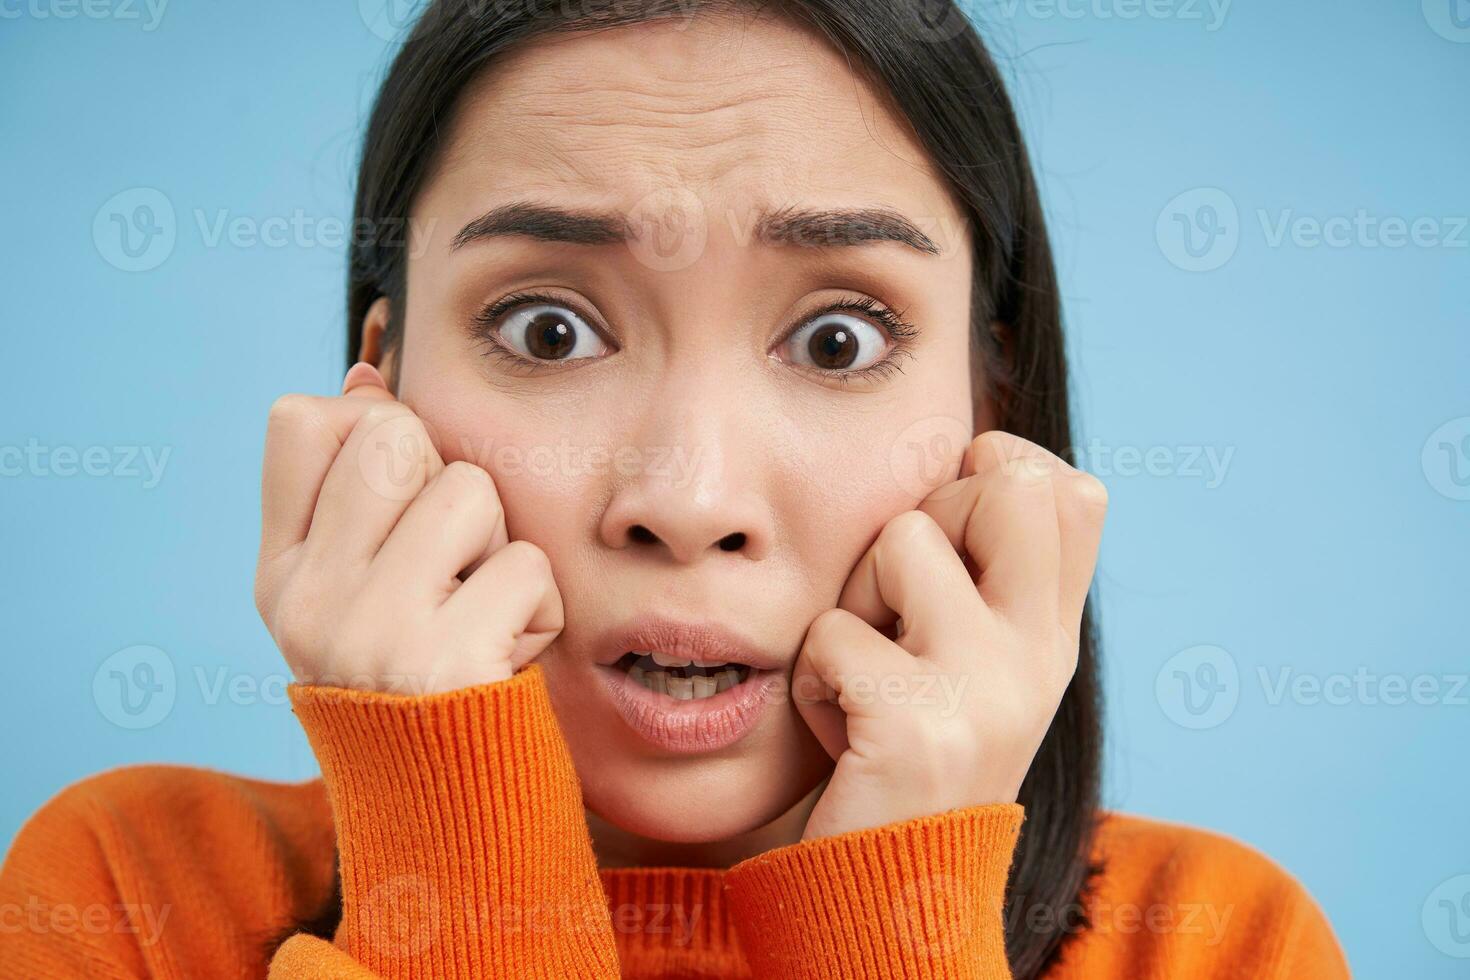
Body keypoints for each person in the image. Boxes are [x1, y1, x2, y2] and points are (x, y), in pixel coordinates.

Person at [0, 1, 1351, 976]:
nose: (688, 498)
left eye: (839, 340)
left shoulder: (1214, 942)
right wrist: (457, 861)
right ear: (381, 392)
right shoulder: (131, 903)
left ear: (990, 408)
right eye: (546, 329)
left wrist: (897, 921)